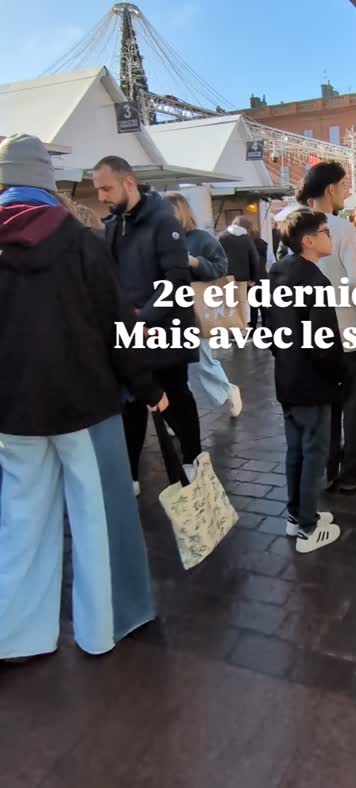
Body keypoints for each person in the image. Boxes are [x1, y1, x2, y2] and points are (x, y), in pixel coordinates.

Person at [0, 135, 164, 661]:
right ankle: (104, 627)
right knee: (99, 516)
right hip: (84, 402)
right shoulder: (80, 241)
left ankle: (15, 636)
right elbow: (117, 325)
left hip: (10, 407)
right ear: (47, 180)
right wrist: (148, 387)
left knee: (21, 520)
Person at [93, 156, 202, 492]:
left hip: (166, 333)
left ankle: (193, 459)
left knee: (176, 397)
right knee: (132, 403)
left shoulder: (162, 221)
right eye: (97, 189)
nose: (101, 196)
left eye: (106, 188)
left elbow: (177, 279)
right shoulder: (113, 224)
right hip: (131, 331)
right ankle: (131, 475)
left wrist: (145, 317)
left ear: (128, 183)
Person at [269, 208, 343, 553]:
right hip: (313, 382)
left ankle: (298, 515)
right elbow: (324, 343)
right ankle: (308, 529)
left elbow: (269, 330)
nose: (330, 237)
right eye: (325, 232)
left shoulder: (278, 271)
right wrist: (339, 376)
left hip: (286, 376)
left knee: (295, 450)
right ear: (309, 240)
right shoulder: (316, 281)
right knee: (314, 452)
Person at [302, 160, 356, 490]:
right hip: (347, 332)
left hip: (312, 334)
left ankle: (328, 467)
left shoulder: (293, 226)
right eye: (344, 185)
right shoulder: (342, 228)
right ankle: (354, 472)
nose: (347, 191)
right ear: (330, 189)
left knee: (326, 406)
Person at [165, 193, 242, 419]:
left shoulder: (201, 238)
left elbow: (220, 268)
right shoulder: (159, 240)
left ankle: (228, 390)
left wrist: (195, 262)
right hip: (167, 309)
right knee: (175, 367)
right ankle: (179, 413)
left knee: (202, 359)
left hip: (197, 308)